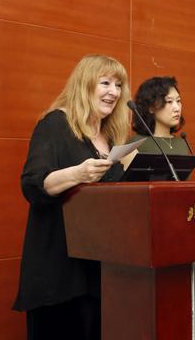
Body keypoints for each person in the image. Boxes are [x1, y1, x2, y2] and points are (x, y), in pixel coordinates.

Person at [12, 54, 130, 340]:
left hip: (101, 270)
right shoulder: (55, 124)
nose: (114, 92)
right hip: (60, 271)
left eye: (118, 85)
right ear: (84, 84)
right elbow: (32, 184)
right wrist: (78, 173)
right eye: (105, 83)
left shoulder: (111, 139)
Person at [130, 76, 189, 155]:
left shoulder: (182, 143)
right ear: (151, 108)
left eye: (178, 101)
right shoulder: (136, 144)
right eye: (169, 101)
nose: (177, 108)